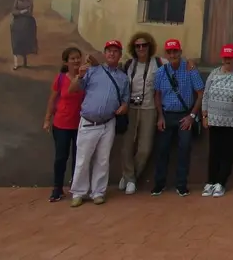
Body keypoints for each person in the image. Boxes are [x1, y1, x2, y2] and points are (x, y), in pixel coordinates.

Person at [68, 40, 130, 207]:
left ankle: (98, 192)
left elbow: (125, 99)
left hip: (108, 123)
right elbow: (73, 89)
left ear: (120, 55)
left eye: (115, 51)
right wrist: (79, 76)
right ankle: (78, 192)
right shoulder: (93, 71)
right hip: (88, 122)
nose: (112, 54)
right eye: (109, 51)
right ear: (104, 53)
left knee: (102, 160)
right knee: (83, 159)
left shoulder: (123, 78)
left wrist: (124, 106)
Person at [152, 39, 205, 198]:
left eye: (175, 51)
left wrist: (192, 115)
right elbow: (157, 95)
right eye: (169, 52)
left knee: (184, 149)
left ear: (180, 52)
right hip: (167, 115)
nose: (173, 54)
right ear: (166, 54)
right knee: (162, 150)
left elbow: (200, 93)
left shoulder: (190, 69)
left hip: (184, 115)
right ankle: (159, 184)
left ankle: (181, 185)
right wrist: (160, 116)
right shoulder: (161, 72)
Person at [201, 44, 233, 197]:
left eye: (230, 57)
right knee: (214, 153)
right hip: (215, 121)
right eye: (225, 57)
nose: (227, 59)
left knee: (228, 153)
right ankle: (210, 182)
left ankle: (220, 183)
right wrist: (205, 116)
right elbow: (205, 96)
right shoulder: (214, 74)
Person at [118, 32, 163, 195]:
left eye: (144, 45)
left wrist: (190, 65)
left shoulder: (158, 63)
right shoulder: (129, 64)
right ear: (134, 48)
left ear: (150, 46)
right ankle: (129, 178)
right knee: (127, 145)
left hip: (149, 109)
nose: (141, 48)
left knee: (145, 148)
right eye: (138, 46)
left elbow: (175, 66)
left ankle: (130, 176)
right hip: (130, 108)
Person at [42, 47, 89, 202]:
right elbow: (52, 99)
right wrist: (47, 119)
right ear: (66, 61)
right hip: (61, 124)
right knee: (61, 157)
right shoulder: (61, 78)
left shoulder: (86, 77)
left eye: (78, 58)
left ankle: (76, 187)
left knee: (79, 158)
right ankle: (57, 188)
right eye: (72, 58)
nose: (76, 61)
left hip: (80, 124)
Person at [11, 0, 38, 71]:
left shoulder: (30, 1)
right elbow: (13, 11)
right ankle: (16, 63)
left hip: (27, 24)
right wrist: (21, 12)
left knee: (25, 43)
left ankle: (24, 62)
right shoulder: (17, 0)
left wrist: (20, 12)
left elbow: (30, 13)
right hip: (17, 23)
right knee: (15, 43)